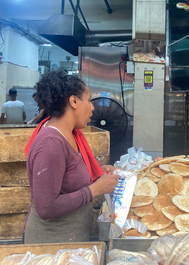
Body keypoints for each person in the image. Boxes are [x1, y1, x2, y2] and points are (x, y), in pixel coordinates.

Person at [23, 71, 119, 243]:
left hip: (72, 241)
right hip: (52, 246)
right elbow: (47, 207)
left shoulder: (71, 134)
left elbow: (68, 175)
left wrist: (98, 172)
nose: (92, 107)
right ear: (74, 101)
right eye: (89, 100)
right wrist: (95, 189)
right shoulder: (51, 143)